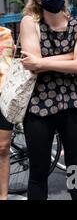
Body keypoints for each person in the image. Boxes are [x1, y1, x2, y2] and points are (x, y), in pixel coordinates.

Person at [20, 0, 77, 200]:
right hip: (38, 106)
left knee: (75, 168)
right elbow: (33, 66)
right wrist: (68, 56)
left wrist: (43, 62)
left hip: (73, 103)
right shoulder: (30, 23)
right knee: (39, 171)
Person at [0, 27, 14, 200]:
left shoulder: (4, 34)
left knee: (3, 148)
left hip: (3, 96)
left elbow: (5, 64)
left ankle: (3, 196)